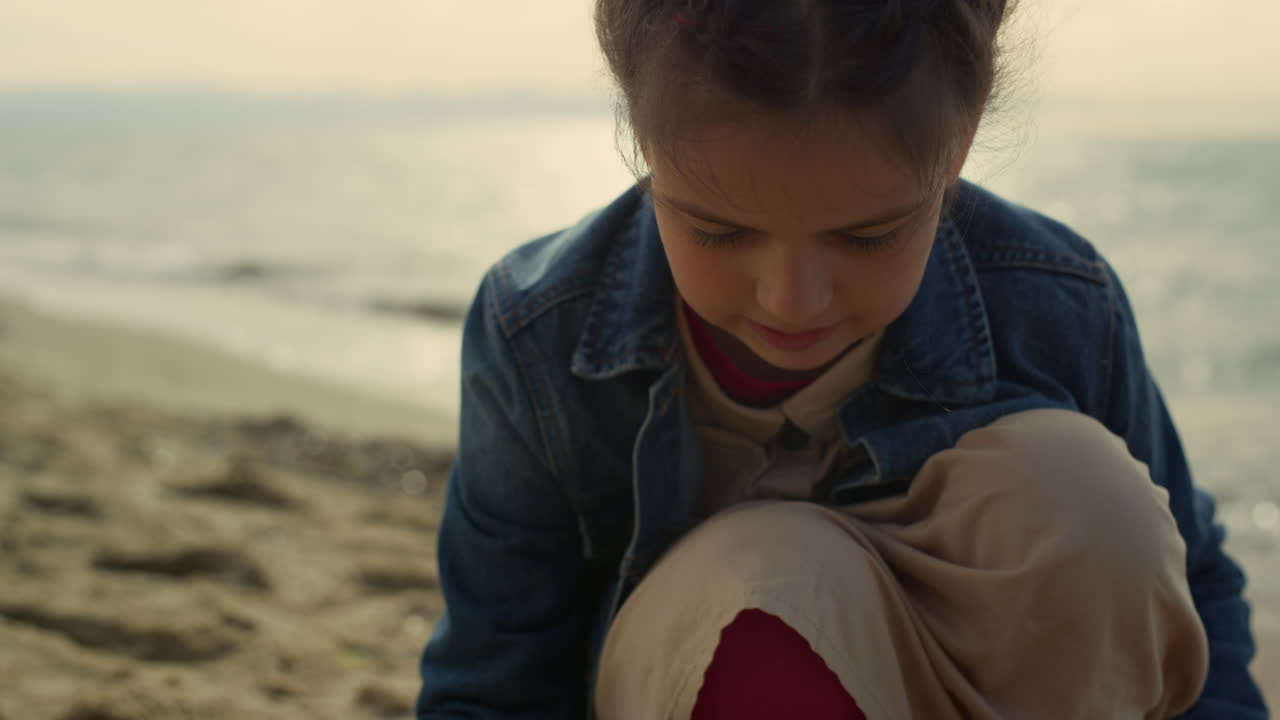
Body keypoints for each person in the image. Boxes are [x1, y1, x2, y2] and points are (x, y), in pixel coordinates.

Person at [416, 1, 1267, 717]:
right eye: (719, 232)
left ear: (959, 141)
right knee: (780, 575)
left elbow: (1191, 585)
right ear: (643, 136)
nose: (792, 301)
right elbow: (496, 681)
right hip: (704, 680)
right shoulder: (540, 333)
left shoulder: (1058, 300)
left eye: (866, 237)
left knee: (1088, 499)